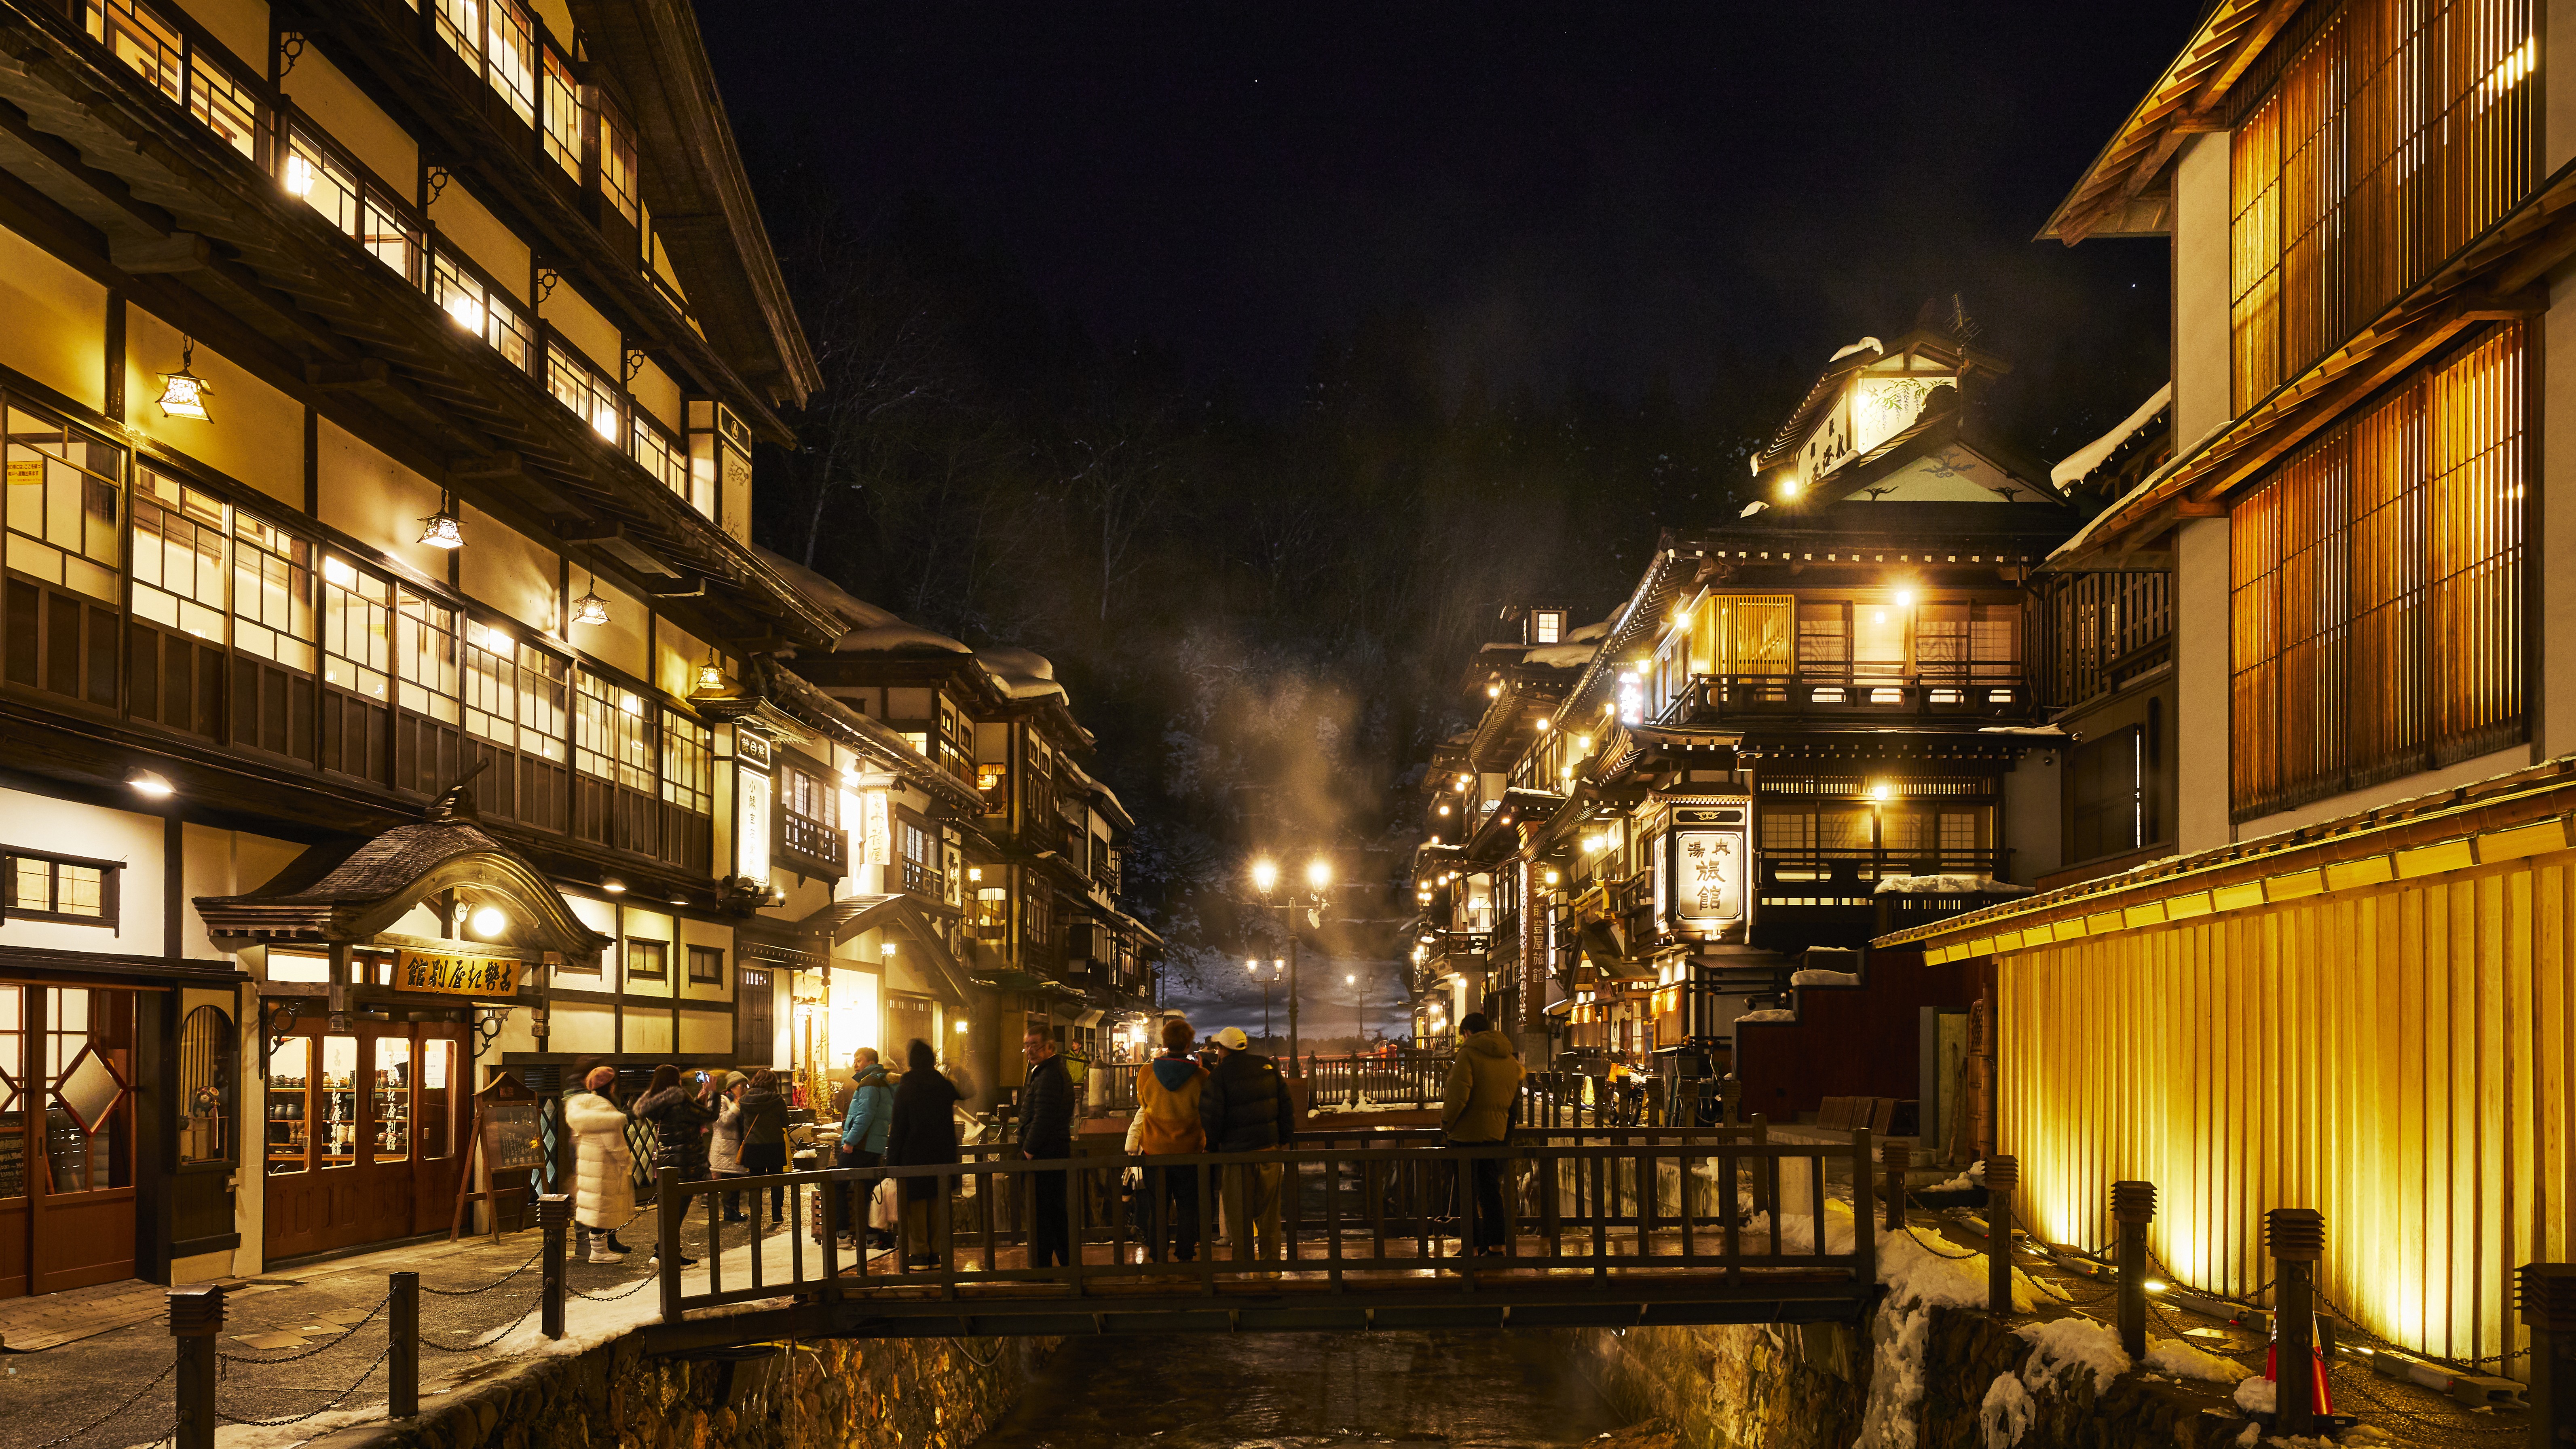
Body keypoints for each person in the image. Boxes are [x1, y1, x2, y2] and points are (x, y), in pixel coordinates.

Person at [1198, 1025, 1295, 1270]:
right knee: (1269, 1213)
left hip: (1236, 1155)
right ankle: (1271, 1266)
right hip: (1269, 1151)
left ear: (1221, 1049)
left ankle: (1244, 1267)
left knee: (1238, 1215)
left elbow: (1212, 1117)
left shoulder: (1219, 1076)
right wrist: (1283, 1138)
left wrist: (1212, 1146)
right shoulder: (1267, 1066)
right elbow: (1285, 1105)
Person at [1123, 1016, 1206, 1262]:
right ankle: (1185, 1252)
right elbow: (1206, 1110)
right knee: (1187, 1205)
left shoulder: (1147, 1072)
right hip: (1189, 1151)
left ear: (1165, 1042)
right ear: (1189, 1044)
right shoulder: (1201, 1076)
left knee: (1158, 1205)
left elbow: (1144, 1103)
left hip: (1155, 1151)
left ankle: (1158, 1253)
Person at [1442, 1012, 1526, 1256]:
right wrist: (1504, 1135)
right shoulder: (1509, 1059)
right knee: (1491, 1192)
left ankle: (1472, 1246)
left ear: (1467, 1033)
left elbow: (1457, 1097)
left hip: (1466, 1136)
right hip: (1495, 1136)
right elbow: (1513, 1105)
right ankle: (1497, 1245)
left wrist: (1446, 1125)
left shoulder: (1468, 1055)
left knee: (1467, 1192)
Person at [884, 1038, 962, 1269]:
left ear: (911, 1062)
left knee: (916, 1208)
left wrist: (892, 1163)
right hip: (942, 1156)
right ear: (932, 1061)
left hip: (914, 1156)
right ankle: (936, 1254)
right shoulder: (944, 1087)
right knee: (938, 1204)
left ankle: (919, 1255)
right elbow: (967, 1093)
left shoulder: (906, 1089)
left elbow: (898, 1128)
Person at [563, 1066, 636, 1263]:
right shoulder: (604, 1107)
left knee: (594, 1207)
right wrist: (625, 1160)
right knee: (603, 1207)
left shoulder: (583, 1105)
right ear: (610, 1086)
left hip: (589, 1164)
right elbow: (614, 1142)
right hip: (605, 1165)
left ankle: (598, 1249)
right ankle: (599, 1251)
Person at [1019, 1026, 1076, 1271]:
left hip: (1045, 1153)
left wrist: (1028, 1151)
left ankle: (1043, 1269)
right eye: (1027, 1045)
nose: (1030, 1050)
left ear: (1050, 1047)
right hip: (1052, 1150)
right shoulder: (1048, 1072)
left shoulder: (1049, 1075)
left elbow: (1043, 1117)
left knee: (1044, 1215)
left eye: (1035, 1045)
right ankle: (1065, 1266)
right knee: (1052, 1214)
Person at [839, 1048, 896, 1249]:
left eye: (859, 1060)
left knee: (837, 1185)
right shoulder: (885, 1082)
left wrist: (850, 1141)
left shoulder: (869, 1082)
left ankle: (842, 1236)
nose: (856, 1064)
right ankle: (869, 1237)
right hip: (874, 1146)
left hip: (861, 1145)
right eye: (854, 1060)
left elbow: (865, 1115)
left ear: (871, 1062)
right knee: (866, 1191)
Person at [735, 1068, 792, 1226]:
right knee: (777, 1181)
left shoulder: (745, 1100)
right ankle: (777, 1215)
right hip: (774, 1145)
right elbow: (786, 1123)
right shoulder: (777, 1100)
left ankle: (756, 1214)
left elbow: (742, 1123)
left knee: (756, 1182)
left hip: (753, 1146)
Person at [706, 1071, 751, 1223]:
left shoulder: (740, 1100)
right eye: (742, 1086)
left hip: (735, 1147)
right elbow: (722, 1121)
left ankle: (734, 1211)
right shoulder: (721, 1100)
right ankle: (730, 1212)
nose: (745, 1089)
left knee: (735, 1181)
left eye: (746, 1086)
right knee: (729, 1182)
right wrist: (737, 1103)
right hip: (725, 1148)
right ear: (732, 1087)